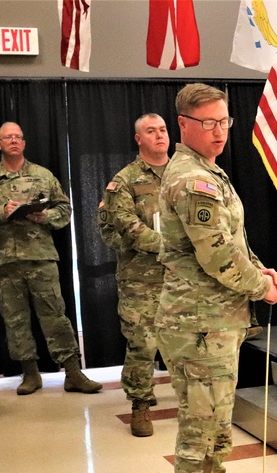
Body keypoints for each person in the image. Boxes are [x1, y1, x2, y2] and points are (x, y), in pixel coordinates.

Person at [157, 84, 277, 473]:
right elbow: (216, 257)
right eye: (207, 123)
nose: (217, 132)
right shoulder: (192, 181)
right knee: (201, 430)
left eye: (224, 122)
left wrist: (262, 271)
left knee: (214, 427)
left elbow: (233, 242)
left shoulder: (209, 173)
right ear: (184, 124)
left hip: (212, 322)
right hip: (198, 326)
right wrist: (262, 287)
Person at [0, 122, 102, 395]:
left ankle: (73, 372)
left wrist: (45, 215)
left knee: (55, 315)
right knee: (15, 319)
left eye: (18, 137)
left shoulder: (43, 175)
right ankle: (30, 373)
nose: (13, 141)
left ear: (24, 143)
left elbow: (65, 208)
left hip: (40, 258)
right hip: (4, 263)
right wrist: (0, 211)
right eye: (7, 137)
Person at [98, 114, 171, 437]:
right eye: (150, 131)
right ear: (138, 139)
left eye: (163, 130)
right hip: (141, 278)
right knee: (142, 343)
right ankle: (140, 404)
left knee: (190, 342)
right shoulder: (124, 181)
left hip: (184, 275)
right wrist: (170, 246)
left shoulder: (185, 172)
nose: (159, 136)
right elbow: (125, 226)